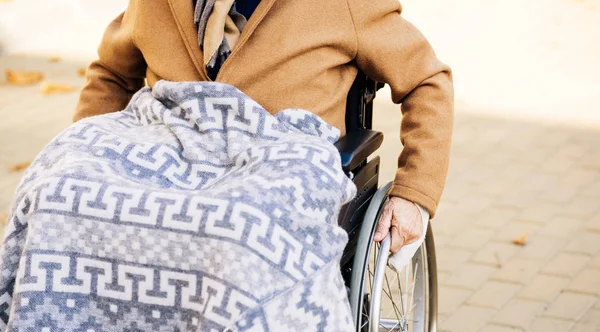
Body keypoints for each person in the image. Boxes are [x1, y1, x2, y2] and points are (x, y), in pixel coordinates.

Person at [74, 0, 453, 255]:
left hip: (282, 173)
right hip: (169, 165)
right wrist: (82, 158)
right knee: (59, 195)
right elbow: (110, 74)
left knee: (233, 227)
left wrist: (413, 195)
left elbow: (427, 80)